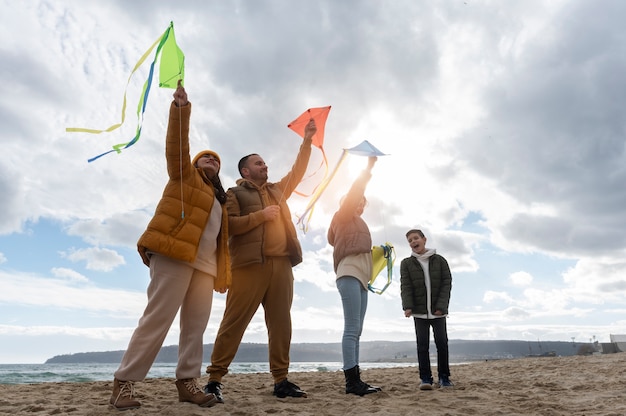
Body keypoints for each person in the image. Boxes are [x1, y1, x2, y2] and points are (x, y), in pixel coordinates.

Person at [109, 81, 231, 410]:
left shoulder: (221, 200)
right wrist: (180, 110)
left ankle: (187, 383)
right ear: (195, 163)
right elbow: (177, 148)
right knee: (157, 320)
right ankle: (124, 384)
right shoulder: (184, 177)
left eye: (216, 161)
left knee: (195, 328)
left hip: (205, 268)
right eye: (206, 158)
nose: (211, 161)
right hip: (174, 255)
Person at [204, 118, 317, 402]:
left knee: (281, 324)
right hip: (248, 266)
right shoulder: (235, 193)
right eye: (258, 163)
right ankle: (215, 379)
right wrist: (260, 216)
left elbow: (299, 170)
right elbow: (228, 224)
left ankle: (281, 380)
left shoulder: (279, 190)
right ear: (245, 170)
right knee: (233, 323)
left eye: (265, 162)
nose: (264, 165)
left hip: (281, 265)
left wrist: (307, 140)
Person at [327, 156, 381, 396]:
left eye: (363, 204)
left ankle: (356, 379)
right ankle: (351, 382)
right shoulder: (343, 216)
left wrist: (380, 252)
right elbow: (353, 193)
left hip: (362, 278)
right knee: (351, 328)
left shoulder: (357, 223)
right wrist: (368, 169)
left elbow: (362, 251)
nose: (359, 205)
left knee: (357, 329)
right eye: (356, 201)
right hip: (348, 272)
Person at [400, 229, 453, 390]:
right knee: (422, 346)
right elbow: (406, 286)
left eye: (416, 238)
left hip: (438, 312)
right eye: (410, 240)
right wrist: (408, 306)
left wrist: (441, 307)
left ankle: (444, 378)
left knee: (442, 344)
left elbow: (447, 283)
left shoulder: (440, 260)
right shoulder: (406, 263)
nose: (413, 242)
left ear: (424, 239)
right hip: (419, 312)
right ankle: (425, 379)